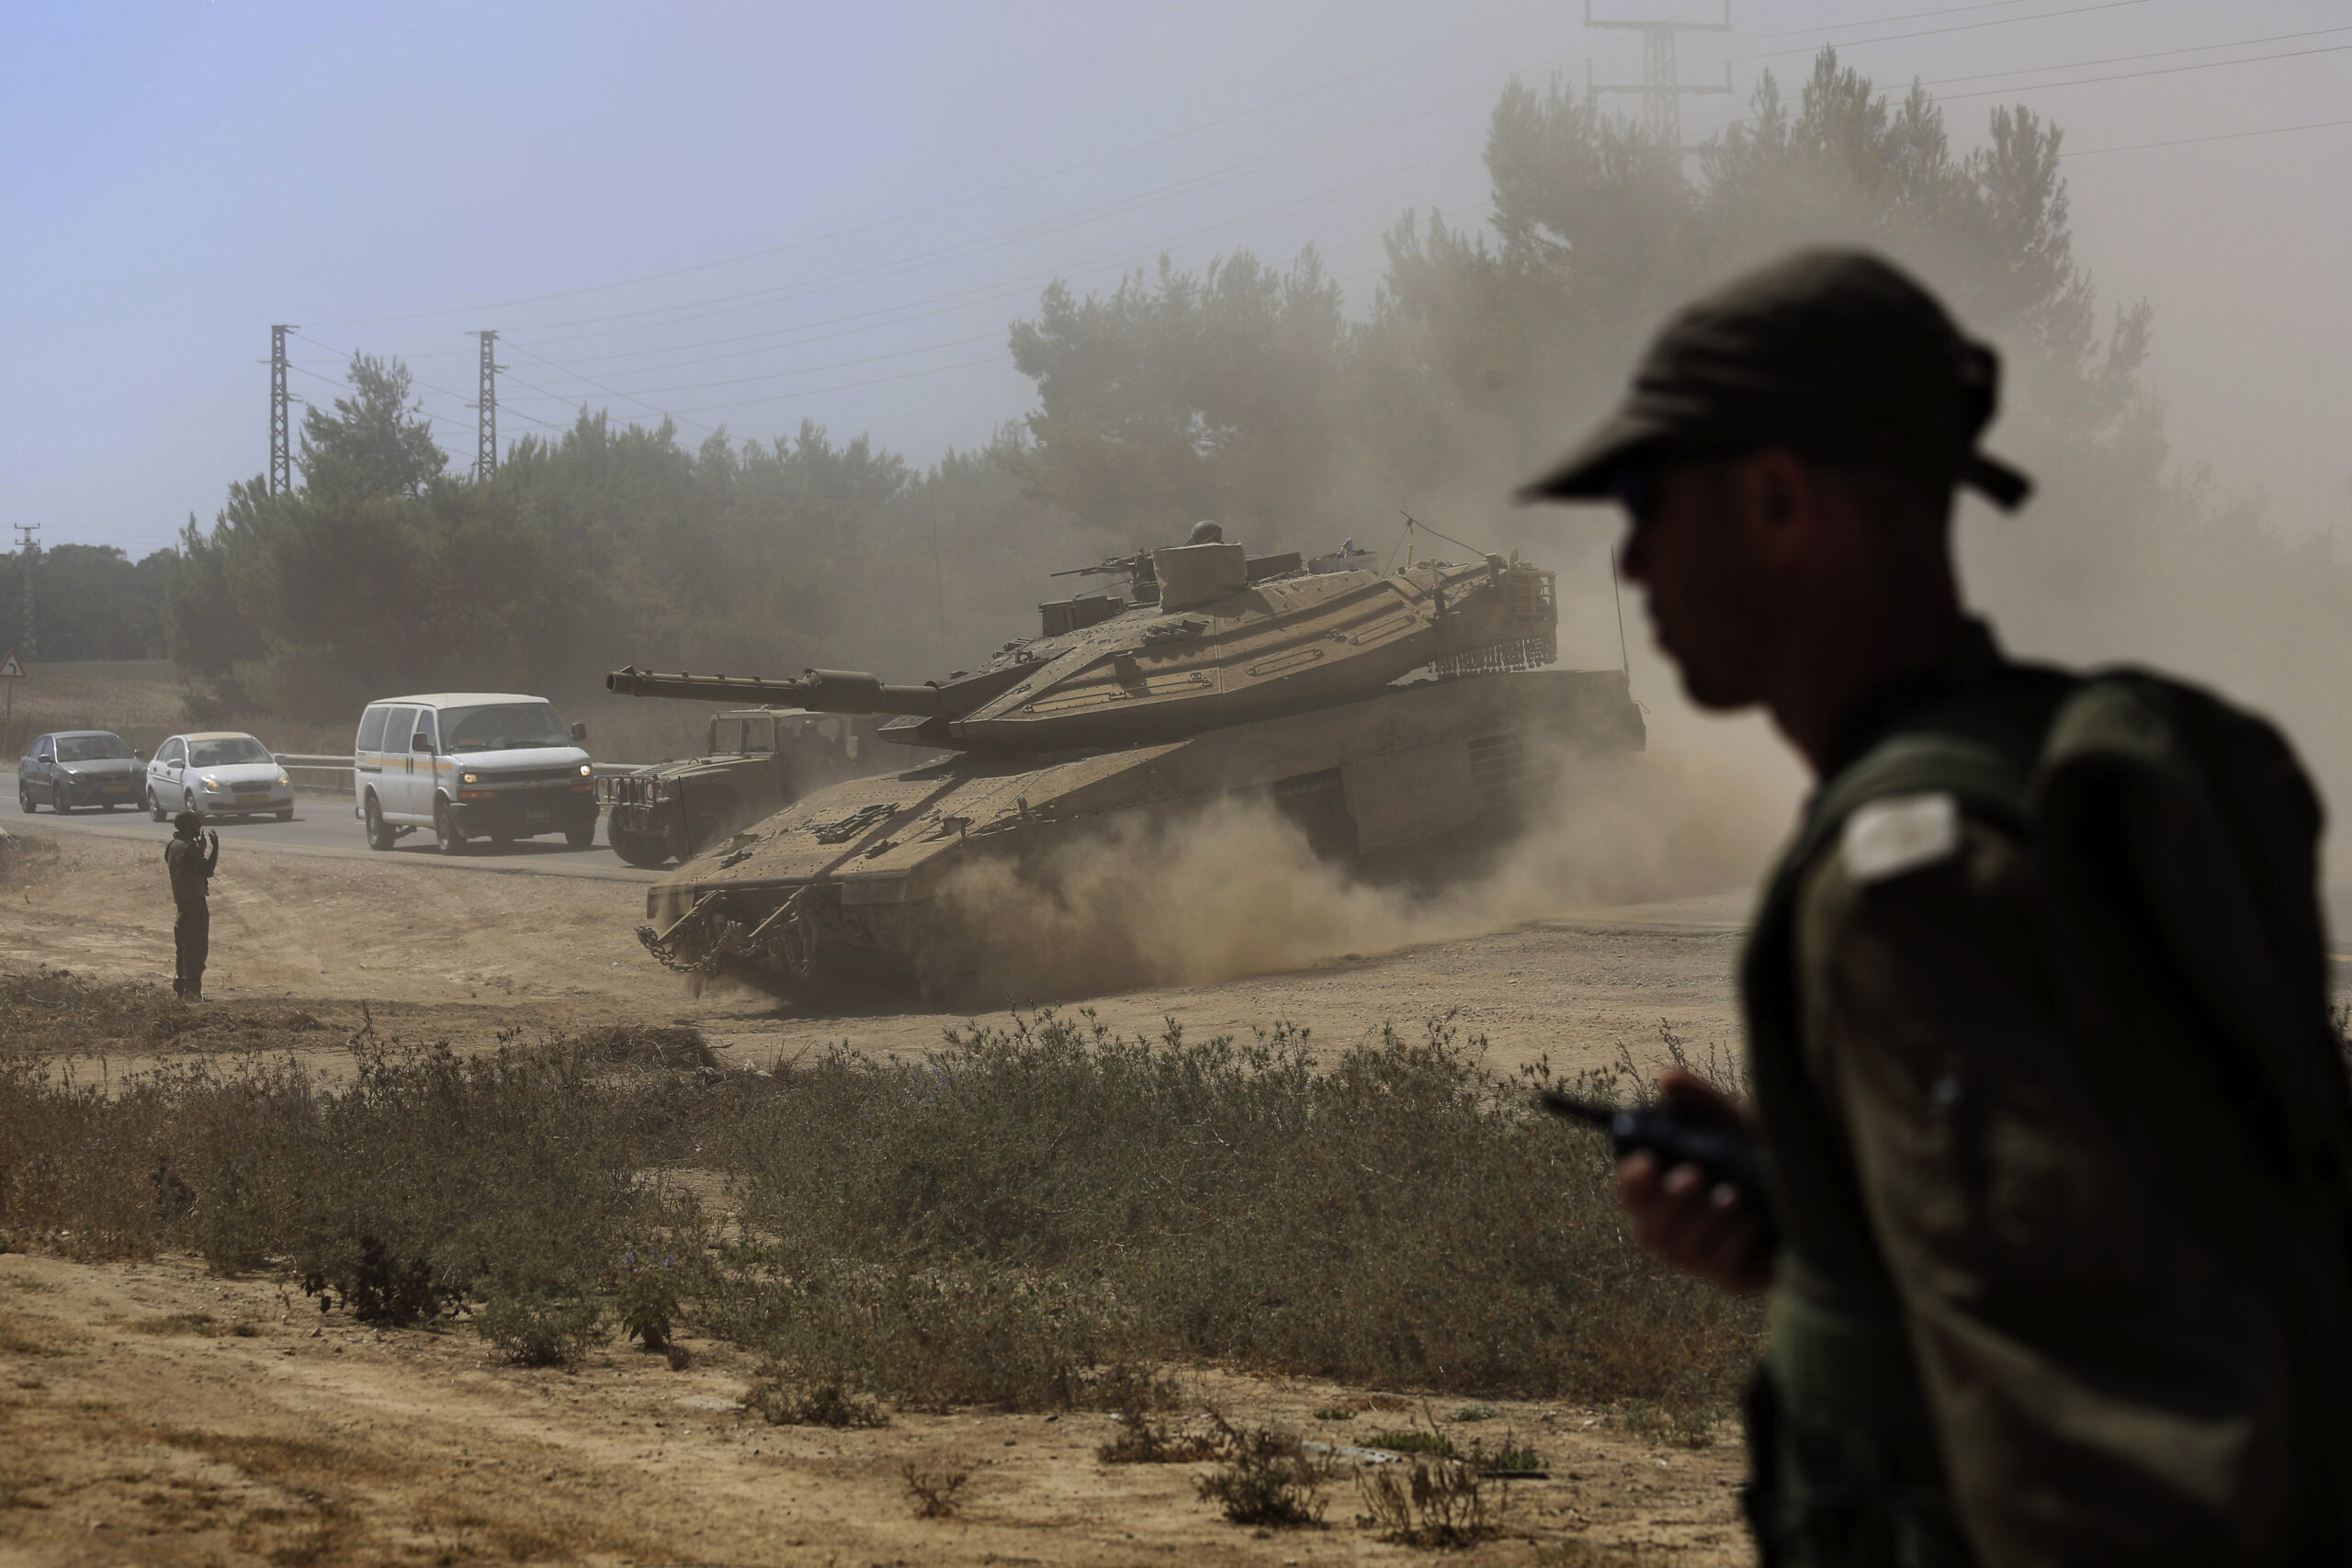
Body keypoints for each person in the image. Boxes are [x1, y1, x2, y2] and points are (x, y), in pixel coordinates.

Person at [1521, 249, 2352, 1565]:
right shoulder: (2070, 762)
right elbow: (2170, 1233)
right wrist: (1834, 1225)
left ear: (1779, 501)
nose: (1627, 562)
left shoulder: (1915, 884)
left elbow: (2113, 1465)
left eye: (1646, 501)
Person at [164, 810, 220, 1001]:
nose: (199, 826)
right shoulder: (189, 848)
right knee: (196, 947)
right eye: (195, 823)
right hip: (195, 902)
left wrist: (200, 850)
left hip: (182, 902)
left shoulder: (173, 845)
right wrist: (215, 848)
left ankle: (181, 988)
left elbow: (187, 867)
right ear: (187, 826)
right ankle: (193, 991)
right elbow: (207, 871)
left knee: (183, 946)